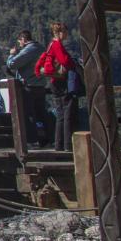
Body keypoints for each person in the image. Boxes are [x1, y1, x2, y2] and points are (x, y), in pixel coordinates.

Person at [35, 21, 83, 153]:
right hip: (61, 83)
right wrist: (73, 62)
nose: (66, 34)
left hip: (55, 82)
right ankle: (67, 144)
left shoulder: (52, 45)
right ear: (58, 32)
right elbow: (64, 61)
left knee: (61, 114)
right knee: (67, 113)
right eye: (65, 32)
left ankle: (59, 144)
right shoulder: (56, 45)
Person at [6, 28, 51, 147]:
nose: (19, 44)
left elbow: (13, 64)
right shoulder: (41, 48)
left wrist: (11, 55)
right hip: (40, 85)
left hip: (29, 86)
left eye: (20, 41)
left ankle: (32, 140)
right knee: (41, 114)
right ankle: (46, 139)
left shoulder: (29, 50)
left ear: (24, 39)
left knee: (29, 115)